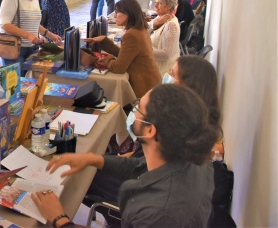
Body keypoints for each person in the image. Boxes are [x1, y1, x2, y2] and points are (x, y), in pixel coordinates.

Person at [31, 84, 216, 228]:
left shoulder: (160, 214)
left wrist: (60, 218)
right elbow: (138, 167)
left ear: (150, 130)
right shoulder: (191, 157)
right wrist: (93, 159)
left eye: (139, 109)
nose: (133, 112)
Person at [84, 0, 161, 98]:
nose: (115, 16)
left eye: (117, 12)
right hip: (150, 80)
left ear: (128, 13)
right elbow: (126, 55)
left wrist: (106, 59)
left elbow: (118, 68)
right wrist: (104, 40)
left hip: (143, 86)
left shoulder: (132, 35)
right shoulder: (140, 29)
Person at [0, 0, 62, 69]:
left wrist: (49, 34)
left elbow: (31, 22)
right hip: (15, 50)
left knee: (30, 83)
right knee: (15, 84)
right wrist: (28, 35)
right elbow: (4, 25)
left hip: (32, 48)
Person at [149, 0, 180, 75]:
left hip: (162, 72)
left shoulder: (170, 25)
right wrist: (153, 25)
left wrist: (144, 49)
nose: (155, 6)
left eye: (159, 3)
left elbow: (165, 54)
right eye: (156, 2)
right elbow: (146, 29)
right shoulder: (161, 18)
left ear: (169, 6)